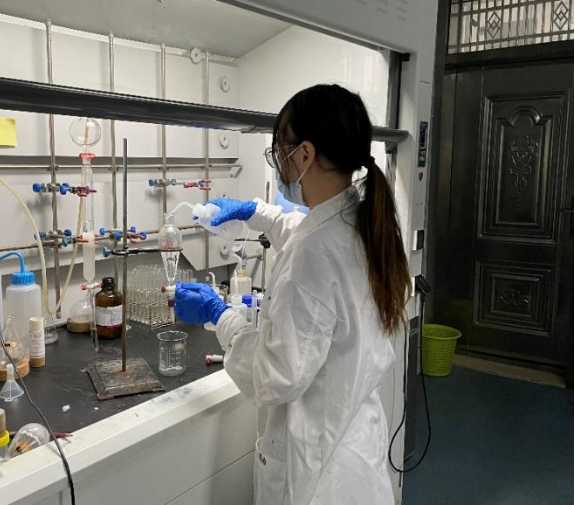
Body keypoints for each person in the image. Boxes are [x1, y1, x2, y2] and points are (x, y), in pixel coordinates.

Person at [174, 84, 411, 505]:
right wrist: (255, 212)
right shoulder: (361, 220)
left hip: (316, 472)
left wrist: (220, 315)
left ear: (305, 155)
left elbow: (273, 376)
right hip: (353, 448)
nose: (278, 162)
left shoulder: (315, 255)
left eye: (277, 152)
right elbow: (306, 232)